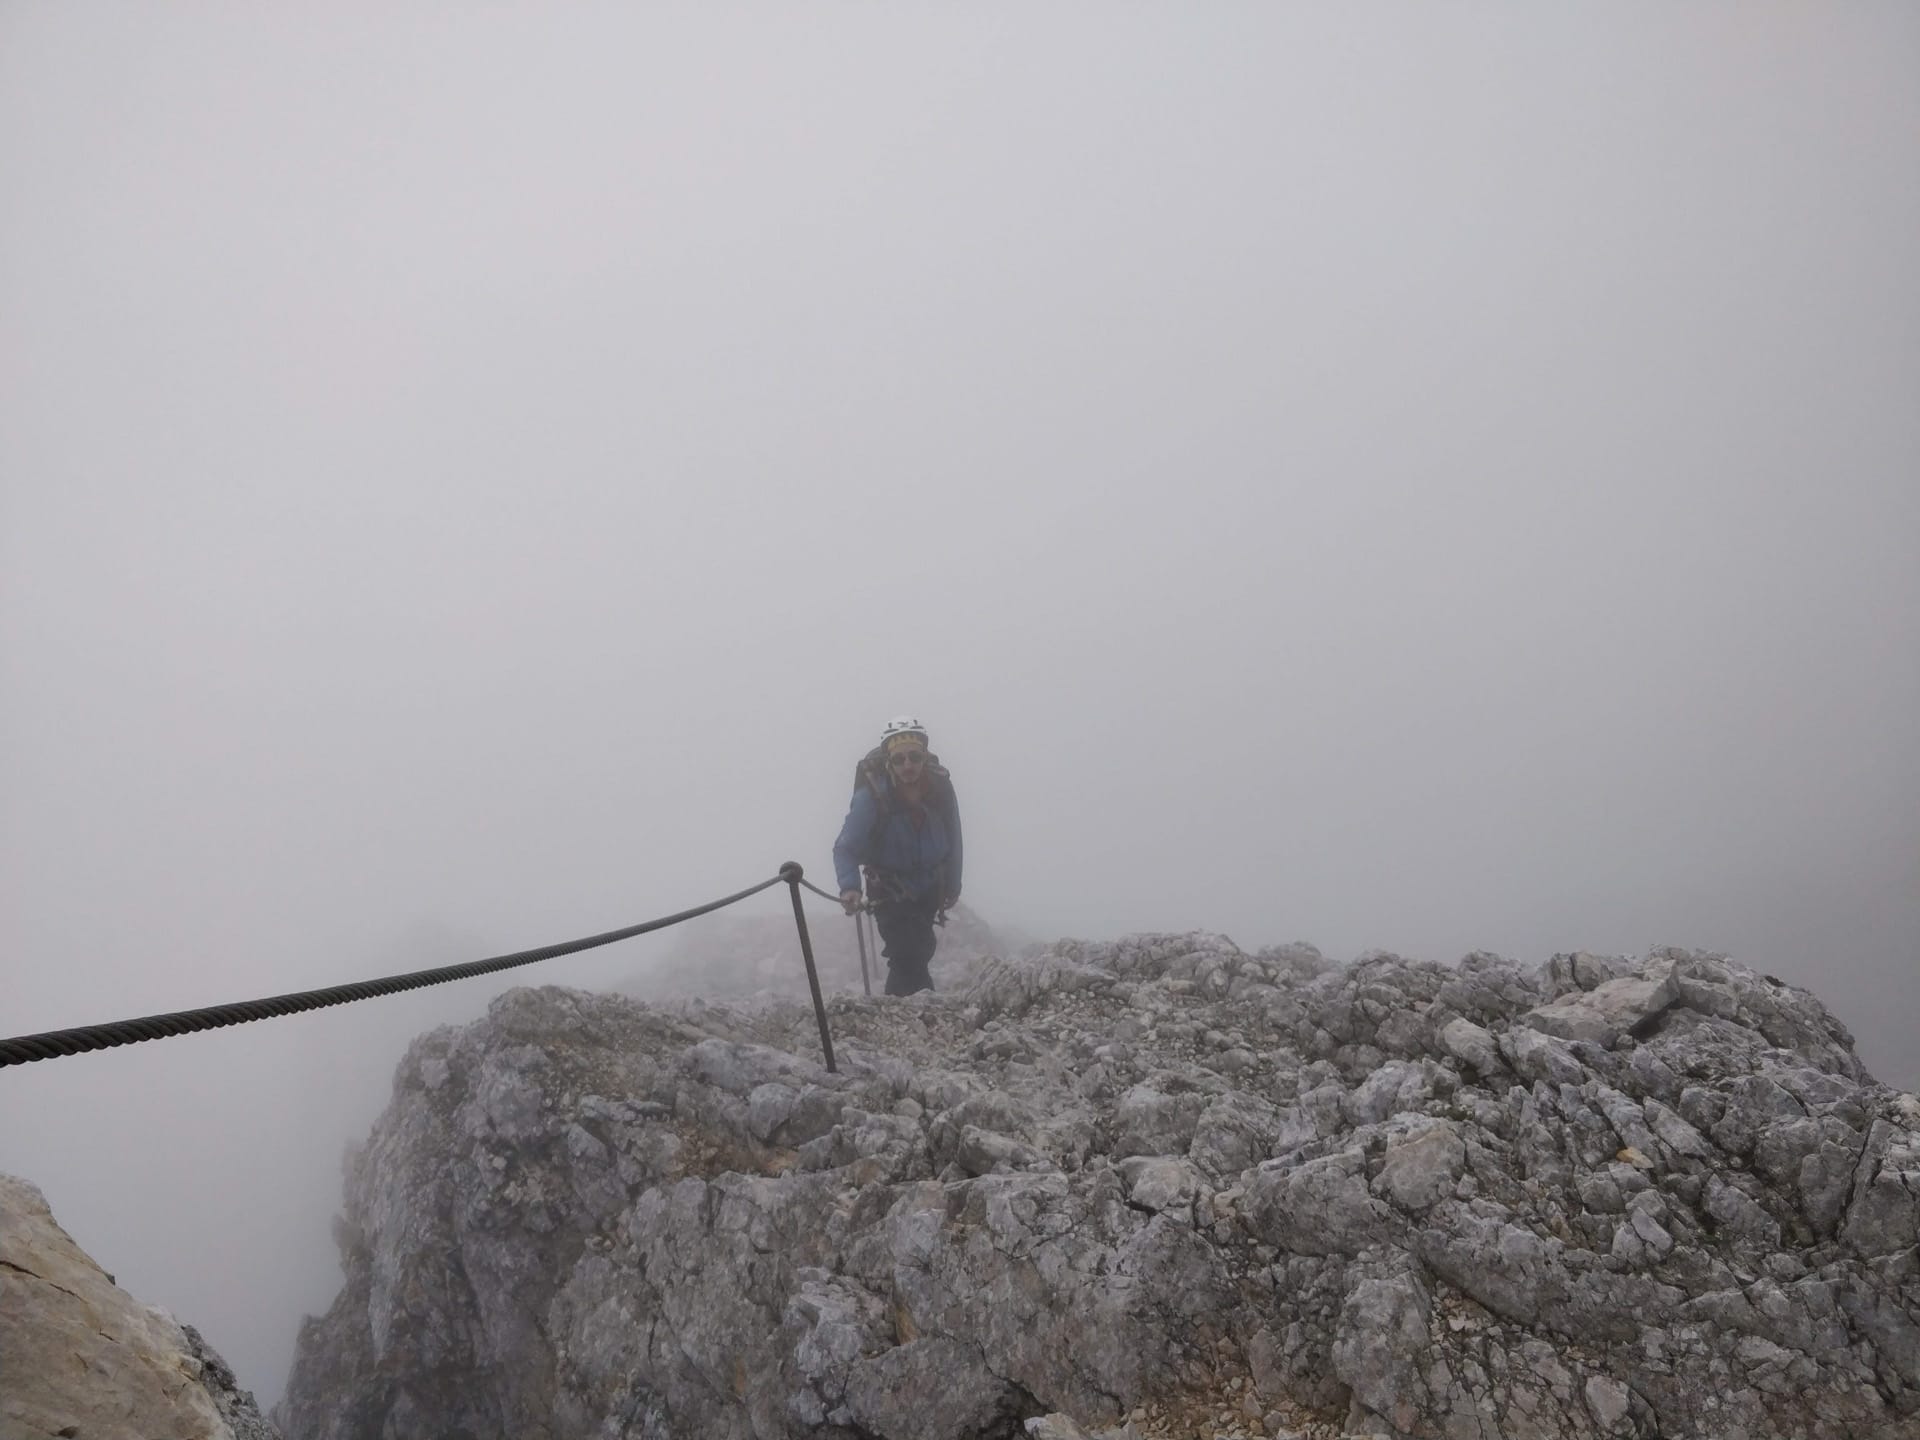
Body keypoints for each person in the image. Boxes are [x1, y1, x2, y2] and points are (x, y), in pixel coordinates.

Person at [833, 716, 962, 996]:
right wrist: (850, 886)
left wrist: (954, 883)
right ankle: (922, 1008)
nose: (908, 765)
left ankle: (900, 1011)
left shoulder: (940, 789)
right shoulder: (872, 797)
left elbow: (954, 836)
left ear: (924, 756)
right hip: (889, 891)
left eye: (914, 757)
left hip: (930, 888)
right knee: (906, 955)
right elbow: (845, 847)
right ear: (888, 762)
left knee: (921, 949)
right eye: (899, 759)